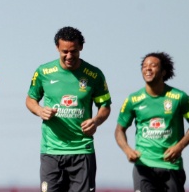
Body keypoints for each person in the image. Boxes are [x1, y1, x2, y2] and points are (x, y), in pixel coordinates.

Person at [25, 26, 111, 192]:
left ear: (81, 47)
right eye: (65, 51)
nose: (69, 56)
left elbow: (105, 106)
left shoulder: (94, 75)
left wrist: (96, 121)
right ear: (57, 47)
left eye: (73, 51)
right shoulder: (44, 72)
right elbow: (30, 99)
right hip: (51, 150)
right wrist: (40, 110)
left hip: (82, 150)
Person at [115, 52, 189, 191]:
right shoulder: (133, 99)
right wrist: (127, 150)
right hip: (143, 167)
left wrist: (179, 147)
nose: (148, 68)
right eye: (144, 66)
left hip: (171, 166)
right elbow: (120, 130)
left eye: (153, 66)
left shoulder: (179, 97)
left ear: (163, 72)